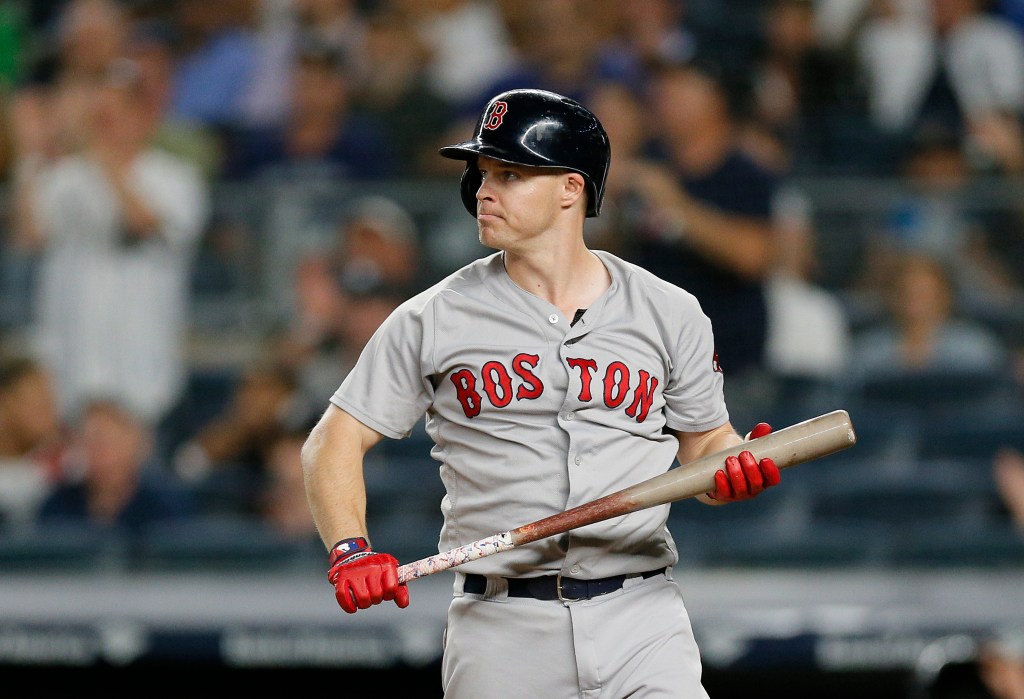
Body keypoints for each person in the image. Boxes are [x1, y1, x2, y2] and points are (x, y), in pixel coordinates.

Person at [301, 88, 782, 698]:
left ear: (570, 188)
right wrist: (349, 549)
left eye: (510, 173)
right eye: (482, 173)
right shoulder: (432, 317)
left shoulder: (669, 310)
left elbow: (706, 444)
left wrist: (732, 465)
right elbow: (332, 442)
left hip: (641, 615)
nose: (483, 190)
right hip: (502, 627)